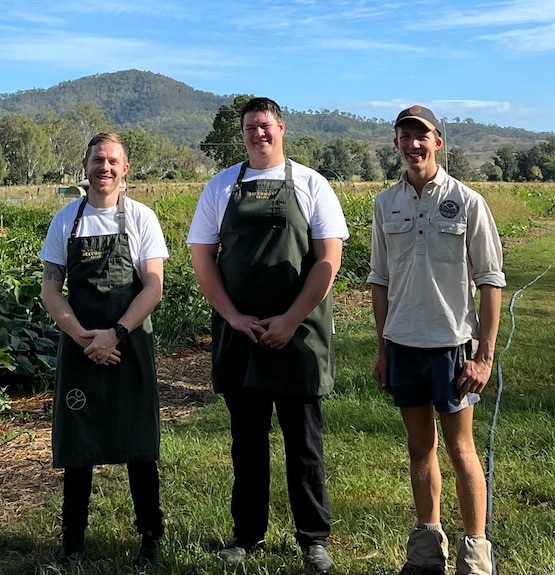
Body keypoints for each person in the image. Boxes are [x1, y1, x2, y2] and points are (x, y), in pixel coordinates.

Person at [188, 97, 348, 574]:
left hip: (299, 333)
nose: (258, 134)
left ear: (281, 129)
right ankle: (247, 534)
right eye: (250, 128)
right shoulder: (220, 187)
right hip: (242, 334)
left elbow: (327, 261)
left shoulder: (311, 184)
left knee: (304, 443)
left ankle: (314, 539)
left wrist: (291, 319)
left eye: (265, 126)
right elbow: (202, 260)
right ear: (242, 135)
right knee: (247, 442)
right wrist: (234, 318)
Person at [368, 105, 506, 575]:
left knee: (461, 449)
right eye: (405, 137)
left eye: (421, 136)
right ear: (396, 145)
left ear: (437, 142)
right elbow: (379, 280)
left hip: (453, 346)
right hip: (404, 345)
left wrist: (483, 357)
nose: (413, 145)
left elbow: (490, 280)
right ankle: (426, 553)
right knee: (418, 447)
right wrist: (383, 349)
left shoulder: (468, 201)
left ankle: (476, 554)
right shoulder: (385, 203)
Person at [40, 132, 169, 569]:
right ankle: (72, 540)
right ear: (85, 164)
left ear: (125, 168)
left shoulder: (141, 219)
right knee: (80, 444)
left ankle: (151, 536)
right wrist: (82, 337)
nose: (105, 167)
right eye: (98, 159)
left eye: (113, 160)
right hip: (80, 346)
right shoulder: (65, 221)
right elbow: (51, 289)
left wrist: (114, 333)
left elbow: (153, 287)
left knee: (138, 443)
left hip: (128, 344)